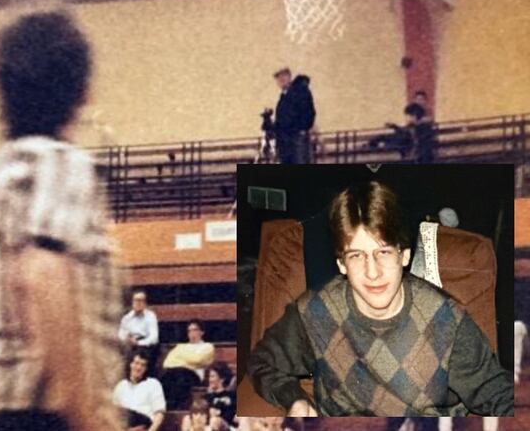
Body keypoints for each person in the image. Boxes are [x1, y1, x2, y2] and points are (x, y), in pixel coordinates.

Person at [0, 2, 124, 431]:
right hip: (39, 416)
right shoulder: (61, 165)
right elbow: (43, 271)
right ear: (82, 91)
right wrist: (84, 413)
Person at [247, 181, 513, 417]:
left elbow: (499, 395)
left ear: (404, 255)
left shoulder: (446, 320)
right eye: (356, 256)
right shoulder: (315, 312)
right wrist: (293, 399)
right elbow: (263, 362)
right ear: (341, 263)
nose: (372, 272)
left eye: (383, 252)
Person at [161, 320, 216, 410]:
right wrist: (190, 361)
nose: (191, 333)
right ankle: (167, 408)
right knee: (165, 377)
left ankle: (174, 408)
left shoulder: (207, 346)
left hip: (193, 375)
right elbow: (167, 363)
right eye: (189, 331)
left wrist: (180, 358)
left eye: (195, 330)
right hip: (174, 372)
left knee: (181, 378)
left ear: (202, 332)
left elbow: (198, 359)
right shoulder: (181, 346)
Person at [270, 68, 315, 164]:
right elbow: (283, 119)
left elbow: (308, 112)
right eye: (278, 78)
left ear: (289, 77)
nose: (281, 80)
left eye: (283, 76)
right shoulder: (284, 96)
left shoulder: (299, 91)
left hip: (296, 139)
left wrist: (302, 130)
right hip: (286, 140)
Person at [112, 351, 166, 431]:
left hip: (144, 424)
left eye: (143, 365)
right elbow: (114, 413)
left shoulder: (153, 384)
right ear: (130, 364)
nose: (138, 368)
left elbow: (159, 414)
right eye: (136, 363)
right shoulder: (121, 386)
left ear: (146, 369)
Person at [119, 290, 160, 368]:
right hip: (130, 344)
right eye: (136, 300)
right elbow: (121, 334)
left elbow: (154, 338)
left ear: (145, 303)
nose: (138, 303)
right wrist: (127, 339)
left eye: (141, 300)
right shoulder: (127, 317)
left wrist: (138, 343)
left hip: (146, 346)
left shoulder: (150, 316)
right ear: (132, 302)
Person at [204, 363, 237, 430]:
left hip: (228, 426)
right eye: (209, 377)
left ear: (222, 378)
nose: (210, 380)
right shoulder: (207, 397)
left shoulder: (232, 395)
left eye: (212, 376)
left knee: (215, 420)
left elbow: (233, 415)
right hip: (209, 427)